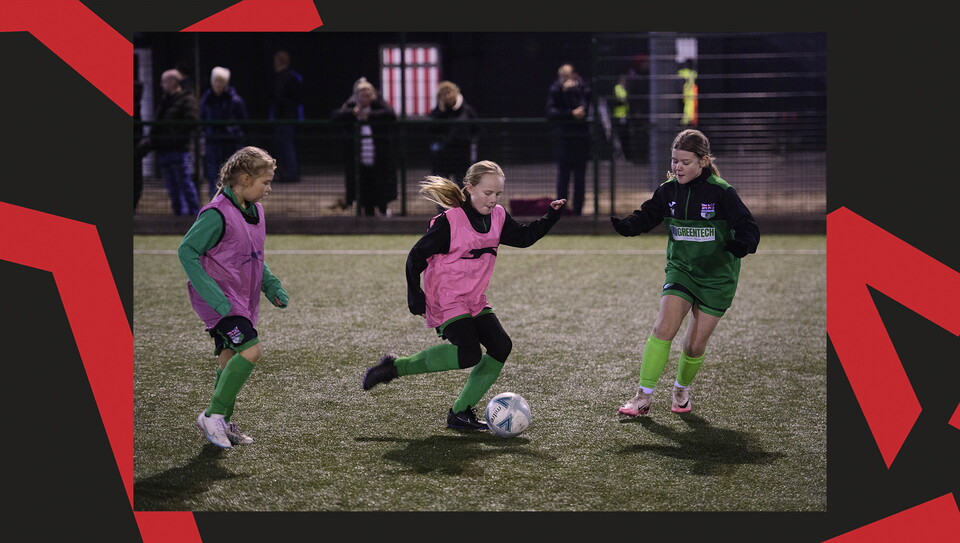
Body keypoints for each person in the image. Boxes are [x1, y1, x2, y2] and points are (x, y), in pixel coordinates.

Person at [361, 160, 567, 430]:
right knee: (469, 353)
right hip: (446, 299)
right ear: (470, 188)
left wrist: (550, 216)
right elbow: (416, 257)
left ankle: (460, 413)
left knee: (501, 346)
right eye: (487, 193)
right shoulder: (450, 222)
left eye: (498, 194)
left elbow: (524, 237)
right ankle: (395, 367)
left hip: (474, 298)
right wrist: (415, 295)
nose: (493, 200)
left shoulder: (498, 217)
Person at [610, 129, 759, 416]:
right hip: (682, 270)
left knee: (693, 345)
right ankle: (642, 397)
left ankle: (681, 389)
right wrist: (630, 225)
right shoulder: (668, 190)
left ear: (703, 161)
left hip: (717, 277)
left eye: (685, 162)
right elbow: (648, 214)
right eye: (674, 160)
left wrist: (743, 243)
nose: (677, 167)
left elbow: (748, 226)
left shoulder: (722, 192)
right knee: (663, 327)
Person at [178, 146, 290, 449]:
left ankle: (222, 423)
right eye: (264, 182)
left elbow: (253, 254)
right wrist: (216, 300)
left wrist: (271, 286)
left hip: (241, 300)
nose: (268, 188)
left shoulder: (255, 211)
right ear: (244, 178)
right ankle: (212, 416)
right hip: (221, 303)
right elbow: (186, 251)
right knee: (251, 350)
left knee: (227, 358)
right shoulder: (217, 213)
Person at [330, 78, 398, 216]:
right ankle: (366, 212)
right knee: (363, 184)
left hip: (377, 155)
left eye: (368, 95)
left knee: (380, 182)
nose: (365, 98)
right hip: (359, 156)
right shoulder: (351, 106)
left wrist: (370, 116)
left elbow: (391, 114)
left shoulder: (379, 106)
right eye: (362, 95)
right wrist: (353, 113)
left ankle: (383, 209)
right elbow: (335, 116)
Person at [139, 68, 201, 216]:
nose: (161, 85)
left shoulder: (186, 99)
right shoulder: (166, 100)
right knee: (172, 187)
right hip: (165, 149)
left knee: (184, 183)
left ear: (173, 82)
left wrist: (174, 135)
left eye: (164, 81)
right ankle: (179, 215)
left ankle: (194, 215)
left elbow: (192, 122)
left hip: (178, 149)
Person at [546, 63, 592, 216]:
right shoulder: (555, 90)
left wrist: (572, 94)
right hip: (563, 142)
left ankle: (578, 212)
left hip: (580, 142)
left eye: (566, 76)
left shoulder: (582, 88)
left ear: (573, 75)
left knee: (580, 180)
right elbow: (551, 111)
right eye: (561, 76)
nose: (563, 79)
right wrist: (570, 113)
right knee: (562, 180)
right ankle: (561, 212)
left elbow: (584, 107)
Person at [200, 66, 249, 199]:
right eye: (216, 81)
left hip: (231, 143)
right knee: (213, 175)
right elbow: (202, 119)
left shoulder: (235, 100)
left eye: (221, 81)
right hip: (213, 142)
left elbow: (244, 121)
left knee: (232, 175)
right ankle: (215, 203)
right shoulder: (207, 100)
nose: (218, 84)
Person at [428, 80, 479, 182]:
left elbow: (476, 128)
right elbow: (431, 130)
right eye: (443, 94)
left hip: (461, 154)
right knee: (442, 187)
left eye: (449, 92)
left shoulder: (466, 110)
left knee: (462, 184)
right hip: (442, 155)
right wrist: (440, 112)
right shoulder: (436, 113)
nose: (447, 96)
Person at [268, 50, 303, 183]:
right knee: (286, 146)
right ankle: (288, 172)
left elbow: (278, 99)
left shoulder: (283, 78)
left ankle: (290, 173)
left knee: (286, 147)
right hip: (288, 118)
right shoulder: (294, 77)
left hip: (283, 118)